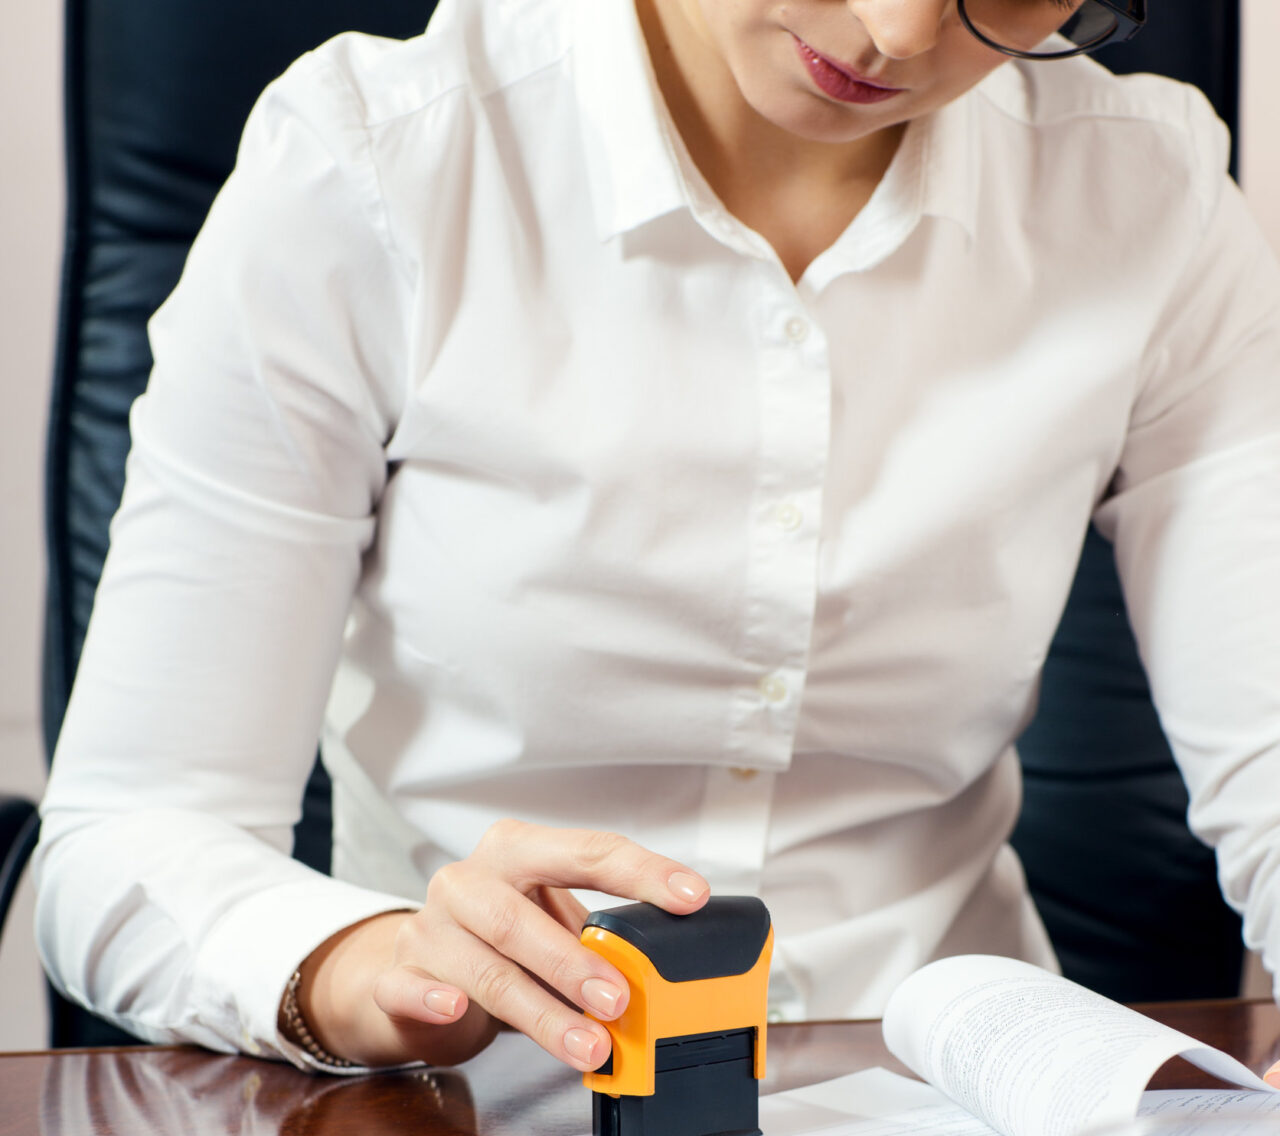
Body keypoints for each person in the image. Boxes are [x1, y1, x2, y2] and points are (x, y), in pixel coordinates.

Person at [33, 0, 1280, 1079]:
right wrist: (379, 969)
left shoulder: (1147, 194)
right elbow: (129, 841)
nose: (897, 32)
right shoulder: (374, 165)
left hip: (947, 1113)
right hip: (475, 1125)